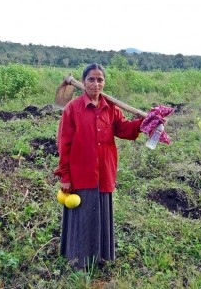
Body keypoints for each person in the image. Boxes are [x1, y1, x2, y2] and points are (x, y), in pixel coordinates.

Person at [54, 63, 144, 270]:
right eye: (91, 79)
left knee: (101, 216)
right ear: (83, 82)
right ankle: (79, 261)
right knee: (82, 219)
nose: (96, 84)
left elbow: (123, 130)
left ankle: (100, 259)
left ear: (104, 82)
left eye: (100, 79)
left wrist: (141, 123)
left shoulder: (111, 107)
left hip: (104, 172)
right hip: (81, 173)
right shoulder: (73, 109)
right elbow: (64, 144)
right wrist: (65, 176)